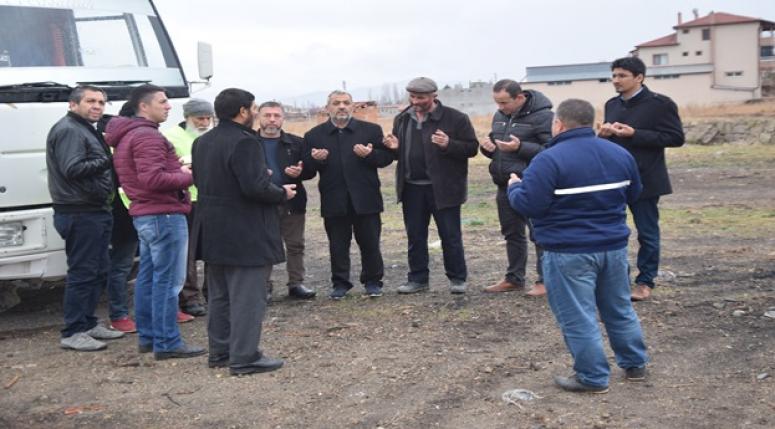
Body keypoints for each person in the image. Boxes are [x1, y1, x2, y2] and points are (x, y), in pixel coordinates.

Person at [508, 98, 649, 393]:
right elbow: (634, 193)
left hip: (567, 251)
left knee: (578, 316)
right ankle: (635, 365)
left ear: (558, 124)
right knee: (619, 308)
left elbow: (530, 204)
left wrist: (514, 187)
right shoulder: (619, 153)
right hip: (612, 247)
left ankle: (592, 377)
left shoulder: (548, 159)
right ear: (591, 122)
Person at [192, 88, 295, 375]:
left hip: (214, 229)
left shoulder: (202, 141)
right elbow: (254, 188)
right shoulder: (245, 142)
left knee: (220, 296)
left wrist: (262, 178)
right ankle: (245, 357)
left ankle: (221, 352)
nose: (255, 112)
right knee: (248, 297)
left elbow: (205, 180)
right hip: (245, 231)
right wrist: (280, 192)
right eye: (253, 108)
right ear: (242, 112)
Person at [106, 84, 205, 360]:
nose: (169, 106)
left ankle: (149, 337)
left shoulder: (130, 135)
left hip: (147, 215)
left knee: (149, 278)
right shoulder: (147, 137)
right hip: (163, 215)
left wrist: (178, 170)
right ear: (144, 106)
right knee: (168, 281)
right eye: (162, 101)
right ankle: (167, 341)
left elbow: (147, 176)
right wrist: (191, 175)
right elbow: (153, 179)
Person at [47, 85, 125, 351]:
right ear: (73, 104)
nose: (97, 106)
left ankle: (88, 323)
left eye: (101, 102)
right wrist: (109, 159)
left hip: (93, 209)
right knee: (83, 272)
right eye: (90, 101)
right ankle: (73, 331)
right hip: (79, 211)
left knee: (99, 270)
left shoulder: (84, 128)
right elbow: (73, 169)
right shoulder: (69, 129)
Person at [599, 56, 685, 301]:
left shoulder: (660, 104)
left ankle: (645, 281)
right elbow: (612, 142)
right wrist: (604, 136)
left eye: (622, 76)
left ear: (639, 77)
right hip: (615, 179)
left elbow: (675, 138)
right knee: (613, 230)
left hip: (646, 178)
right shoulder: (611, 105)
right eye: (614, 76)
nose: (616, 80)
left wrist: (635, 134)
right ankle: (617, 279)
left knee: (647, 232)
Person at [383, 77, 478, 295]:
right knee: (415, 236)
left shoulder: (455, 118)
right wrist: (395, 148)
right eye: (412, 97)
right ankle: (418, 279)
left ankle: (457, 278)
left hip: (444, 189)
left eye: (421, 97)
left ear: (434, 96)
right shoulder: (402, 119)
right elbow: (402, 153)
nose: (415, 101)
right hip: (411, 188)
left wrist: (449, 144)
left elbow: (472, 148)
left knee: (450, 235)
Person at [304, 90, 393, 300]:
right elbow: (307, 170)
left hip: (366, 198)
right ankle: (340, 283)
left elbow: (386, 158)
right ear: (328, 108)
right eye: (336, 103)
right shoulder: (314, 136)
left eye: (346, 103)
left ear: (353, 106)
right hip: (334, 199)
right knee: (337, 245)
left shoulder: (371, 130)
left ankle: (373, 281)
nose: (341, 107)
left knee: (370, 242)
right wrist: (317, 160)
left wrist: (370, 154)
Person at [479, 79, 552, 297]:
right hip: (505, 184)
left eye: (504, 102)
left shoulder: (544, 116)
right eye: (497, 103)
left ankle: (545, 280)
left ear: (519, 97)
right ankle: (514, 278)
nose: (500, 108)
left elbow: (551, 150)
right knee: (512, 233)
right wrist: (489, 149)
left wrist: (520, 147)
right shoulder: (500, 116)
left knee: (538, 234)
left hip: (533, 184)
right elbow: (500, 149)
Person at [254, 101, 316, 301]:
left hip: (292, 201)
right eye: (267, 115)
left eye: (277, 115)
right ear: (259, 117)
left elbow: (311, 171)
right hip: (261, 202)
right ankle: (264, 286)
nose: (272, 119)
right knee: (263, 245)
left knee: (295, 244)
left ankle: (296, 284)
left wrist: (300, 172)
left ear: (283, 118)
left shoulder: (297, 142)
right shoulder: (248, 142)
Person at [162, 98, 214, 317]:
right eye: (199, 118)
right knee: (188, 252)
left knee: (214, 248)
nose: (204, 122)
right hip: (187, 199)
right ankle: (190, 297)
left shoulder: (213, 135)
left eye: (207, 118)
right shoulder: (170, 137)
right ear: (187, 118)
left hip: (212, 198)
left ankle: (213, 291)